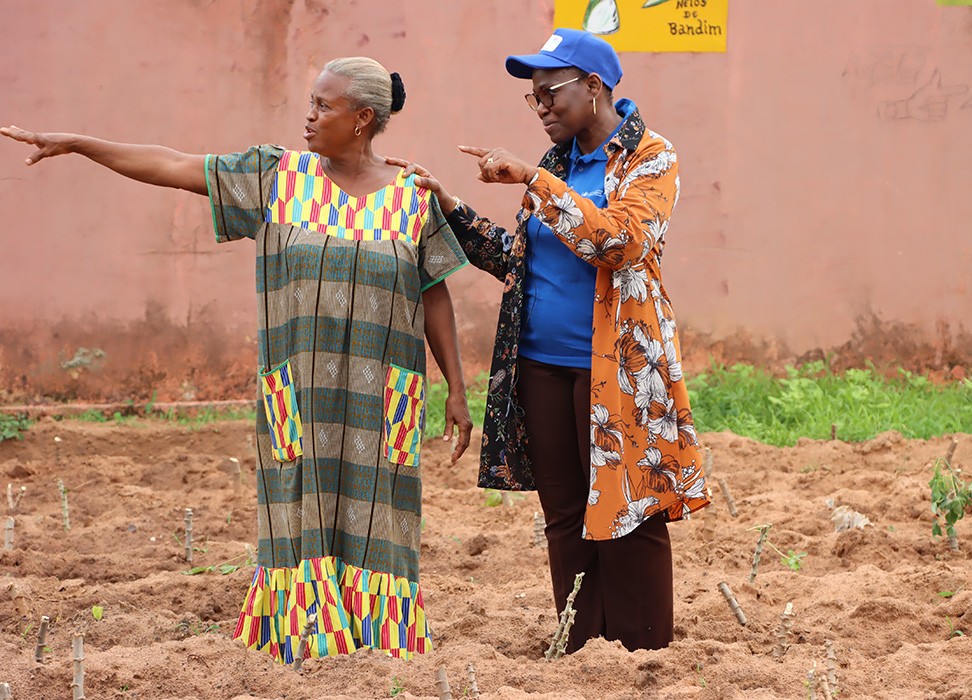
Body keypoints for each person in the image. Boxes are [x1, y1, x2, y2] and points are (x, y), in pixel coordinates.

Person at [1, 56, 472, 663]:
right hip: (298, 396)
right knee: (294, 512)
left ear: (362, 120)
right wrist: (78, 143)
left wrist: (457, 389)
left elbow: (434, 291)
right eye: (310, 102)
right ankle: (302, 643)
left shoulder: (414, 195)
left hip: (379, 401)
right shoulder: (275, 176)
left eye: (323, 106)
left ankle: (379, 649)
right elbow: (172, 165)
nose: (308, 116)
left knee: (380, 513)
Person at [388, 29, 709, 653]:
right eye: (532, 100)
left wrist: (534, 179)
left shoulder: (651, 157)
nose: (540, 109)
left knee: (628, 507)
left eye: (549, 95)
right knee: (563, 512)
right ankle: (580, 647)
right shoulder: (556, 167)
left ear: (594, 88)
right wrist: (449, 203)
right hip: (539, 364)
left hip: (615, 368)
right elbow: (518, 259)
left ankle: (644, 653)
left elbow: (617, 243)